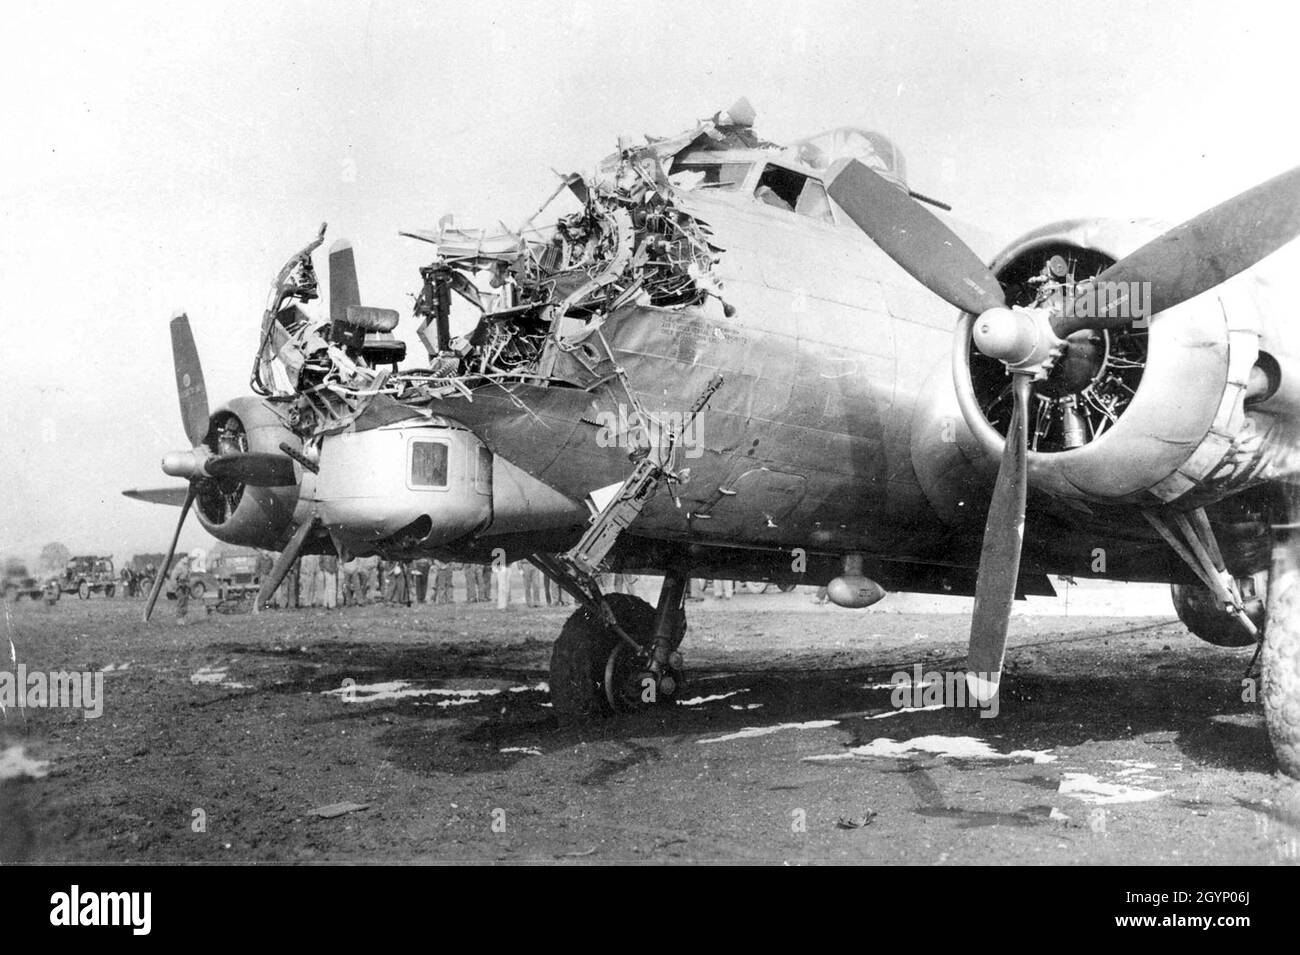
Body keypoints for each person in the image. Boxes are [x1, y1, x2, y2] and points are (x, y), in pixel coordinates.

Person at [173, 555, 192, 620]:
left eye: (187, 558)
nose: (187, 559)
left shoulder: (186, 566)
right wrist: (177, 586)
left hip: (186, 586)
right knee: (181, 602)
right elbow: (173, 578)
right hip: (180, 586)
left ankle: (183, 618)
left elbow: (188, 577)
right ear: (181, 559)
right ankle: (179, 618)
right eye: (185, 558)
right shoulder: (178, 566)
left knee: (185, 602)